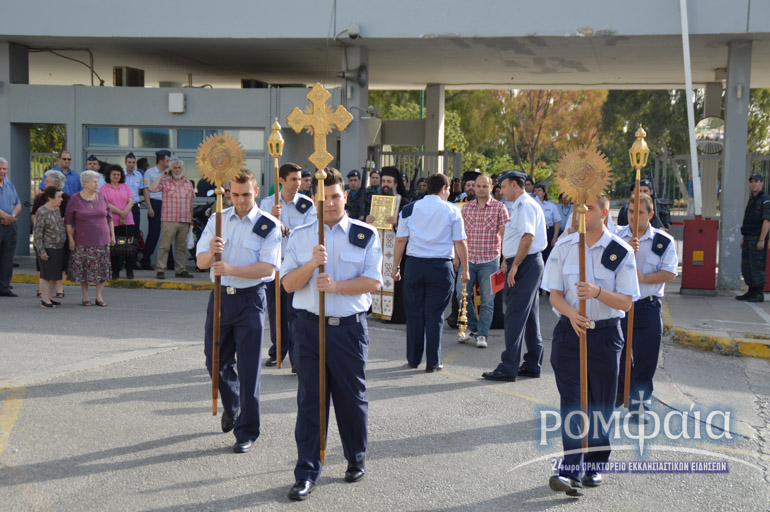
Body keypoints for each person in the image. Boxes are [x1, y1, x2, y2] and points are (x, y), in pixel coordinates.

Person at [281, 168, 382, 500]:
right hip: (309, 329)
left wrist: (336, 286)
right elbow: (287, 284)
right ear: (315, 199)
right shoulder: (300, 235)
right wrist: (311, 265)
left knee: (351, 400)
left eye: (336, 196)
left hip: (348, 330)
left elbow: (372, 282)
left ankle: (355, 457)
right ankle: (307, 471)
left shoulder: (365, 234)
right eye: (324, 198)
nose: (331, 203)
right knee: (311, 400)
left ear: (346, 197)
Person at [541, 194, 638, 496]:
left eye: (590, 208)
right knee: (573, 403)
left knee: (600, 405)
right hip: (570, 334)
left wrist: (596, 292)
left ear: (605, 213)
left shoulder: (619, 251)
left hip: (605, 335)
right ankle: (569, 470)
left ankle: (594, 465)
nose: (581, 212)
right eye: (578, 207)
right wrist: (571, 313)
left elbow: (626, 301)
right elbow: (554, 294)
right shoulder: (565, 247)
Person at [196, 168, 281, 453]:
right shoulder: (217, 220)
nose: (241, 200)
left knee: (248, 368)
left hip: (250, 299)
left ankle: (247, 430)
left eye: (246, 194)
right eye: (235, 194)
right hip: (220, 298)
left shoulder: (268, 225)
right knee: (214, 361)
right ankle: (232, 406)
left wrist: (231, 268)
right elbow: (200, 262)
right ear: (228, 193)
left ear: (256, 192)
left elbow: (268, 268)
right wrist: (211, 251)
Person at [393, 173, 469, 371]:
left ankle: (413, 359)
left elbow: (401, 240)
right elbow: (460, 241)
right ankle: (433, 362)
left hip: (415, 265)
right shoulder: (452, 210)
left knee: (414, 313)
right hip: (441, 267)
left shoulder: (409, 209)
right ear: (444, 188)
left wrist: (395, 267)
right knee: (435, 315)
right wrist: (465, 270)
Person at [615, 193, 678, 420]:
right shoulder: (616, 236)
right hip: (620, 304)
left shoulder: (662, 241)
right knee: (618, 354)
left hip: (647, 305)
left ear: (650, 214)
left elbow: (670, 272)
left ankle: (639, 405)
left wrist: (643, 277)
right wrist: (624, 249)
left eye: (640, 213)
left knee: (646, 358)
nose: (634, 217)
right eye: (631, 212)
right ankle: (621, 390)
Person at [482, 171, 546, 381]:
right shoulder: (520, 205)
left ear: (514, 185)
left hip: (525, 263)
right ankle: (532, 363)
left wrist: (515, 264)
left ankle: (508, 366)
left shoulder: (525, 205)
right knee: (529, 317)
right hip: (523, 261)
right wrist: (507, 260)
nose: (501, 191)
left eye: (503, 186)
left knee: (515, 315)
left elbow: (528, 237)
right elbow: (517, 237)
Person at [260, 162, 317, 367]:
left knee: (296, 312)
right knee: (276, 312)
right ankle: (278, 351)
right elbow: (259, 234)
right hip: (275, 264)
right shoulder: (267, 204)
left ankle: (296, 357)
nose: (298, 183)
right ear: (281, 180)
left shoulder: (307, 205)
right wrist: (271, 220)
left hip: (296, 267)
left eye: (299, 179)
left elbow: (307, 235)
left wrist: (283, 228)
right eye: (293, 179)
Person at [457, 174, 509, 348]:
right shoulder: (465, 208)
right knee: (461, 295)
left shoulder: (500, 208)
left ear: (491, 187)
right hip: (468, 260)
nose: (480, 189)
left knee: (488, 300)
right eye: (478, 186)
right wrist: (457, 257)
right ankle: (473, 327)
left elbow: (505, 236)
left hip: (490, 260)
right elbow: (459, 236)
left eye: (484, 186)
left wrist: (505, 260)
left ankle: (482, 335)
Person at [365, 166, 411, 324]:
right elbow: (365, 223)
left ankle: (396, 314)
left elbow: (412, 227)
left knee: (396, 282)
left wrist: (398, 223)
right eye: (383, 181)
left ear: (396, 184)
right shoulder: (374, 200)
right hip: (379, 248)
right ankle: (377, 311)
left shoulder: (404, 202)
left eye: (389, 182)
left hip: (396, 250)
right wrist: (367, 221)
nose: (385, 184)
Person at [65, 170, 116, 307]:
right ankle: (85, 296)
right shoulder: (75, 199)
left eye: (97, 181)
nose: (96, 184)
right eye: (94, 181)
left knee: (102, 269)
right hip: (83, 241)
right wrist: (71, 239)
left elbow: (109, 218)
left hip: (102, 240)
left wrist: (112, 235)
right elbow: (68, 222)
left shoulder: (101, 197)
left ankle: (99, 297)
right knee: (84, 269)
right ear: (85, 183)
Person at [148, 158, 195, 279]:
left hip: (184, 219)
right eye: (174, 167)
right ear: (170, 169)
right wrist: (162, 175)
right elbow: (151, 189)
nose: (177, 170)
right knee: (165, 246)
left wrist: (191, 218)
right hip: (169, 219)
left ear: (182, 169)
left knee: (181, 247)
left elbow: (191, 202)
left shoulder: (188, 183)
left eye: (179, 168)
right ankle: (160, 269)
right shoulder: (165, 182)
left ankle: (180, 269)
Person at [32, 170, 70, 298]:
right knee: (46, 273)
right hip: (47, 245)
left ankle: (51, 297)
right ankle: (44, 297)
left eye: (47, 180)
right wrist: (41, 250)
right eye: (59, 197)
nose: (44, 182)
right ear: (51, 197)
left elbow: (67, 219)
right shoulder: (42, 209)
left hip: (58, 245)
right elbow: (37, 232)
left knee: (55, 272)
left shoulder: (57, 209)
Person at [737, 173, 770, 302]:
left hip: (757, 238)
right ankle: (751, 291)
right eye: (751, 182)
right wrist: (744, 238)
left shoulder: (765, 199)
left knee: (756, 266)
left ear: (762, 183)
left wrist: (762, 239)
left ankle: (758, 293)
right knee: (747, 266)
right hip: (748, 238)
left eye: (756, 181)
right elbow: (748, 220)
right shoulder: (752, 199)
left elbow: (767, 221)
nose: (753, 184)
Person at [102, 164, 137, 279]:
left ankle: (130, 271)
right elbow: (106, 204)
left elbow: (131, 201)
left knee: (130, 247)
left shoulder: (126, 187)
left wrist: (125, 213)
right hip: (112, 223)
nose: (116, 176)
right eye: (114, 174)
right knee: (114, 248)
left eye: (118, 174)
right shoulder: (104, 188)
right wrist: (121, 213)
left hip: (128, 221)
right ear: (109, 175)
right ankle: (115, 271)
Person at [141, 150, 171, 270]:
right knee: (154, 234)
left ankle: (170, 262)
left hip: (167, 204)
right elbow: (146, 190)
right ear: (161, 161)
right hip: (155, 203)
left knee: (168, 233)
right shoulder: (150, 172)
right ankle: (145, 261)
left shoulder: (169, 173)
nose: (168, 162)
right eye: (167, 160)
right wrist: (150, 208)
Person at [0, 157, 21, 297]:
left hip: (10, 226)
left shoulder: (10, 185)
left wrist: (12, 216)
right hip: (2, 222)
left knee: (7, 257)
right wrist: (5, 216)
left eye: (5, 168)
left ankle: (4, 287)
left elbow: (18, 204)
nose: (2, 171)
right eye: (0, 168)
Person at [533, 183, 561, 262]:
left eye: (539, 190)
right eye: (535, 191)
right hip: (535, 232)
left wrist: (554, 237)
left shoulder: (551, 205)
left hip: (548, 231)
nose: (537, 192)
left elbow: (557, 222)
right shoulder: (530, 205)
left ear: (544, 193)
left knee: (547, 256)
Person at [123, 152, 144, 228]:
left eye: (133, 162)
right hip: (122, 206)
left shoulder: (138, 175)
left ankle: (134, 240)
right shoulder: (120, 174)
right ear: (125, 163)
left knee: (135, 229)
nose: (131, 164)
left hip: (135, 206)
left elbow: (139, 190)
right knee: (123, 230)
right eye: (129, 162)